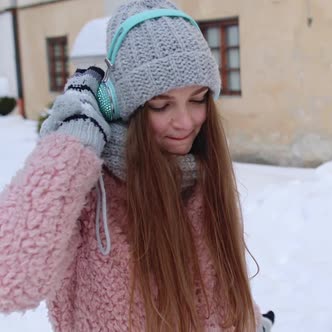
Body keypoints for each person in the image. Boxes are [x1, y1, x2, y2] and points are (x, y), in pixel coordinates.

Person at [0, 0, 275, 331]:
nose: (186, 122)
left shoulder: (200, 176)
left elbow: (211, 292)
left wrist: (248, 321)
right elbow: (10, 279)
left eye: (198, 99)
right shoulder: (87, 193)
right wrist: (72, 143)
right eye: (161, 104)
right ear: (118, 104)